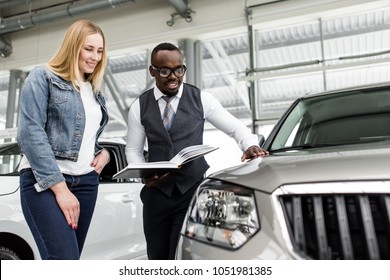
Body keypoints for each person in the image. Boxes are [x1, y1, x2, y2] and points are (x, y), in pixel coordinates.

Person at [125, 42, 269, 260]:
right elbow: (133, 150)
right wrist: (143, 174)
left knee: (185, 256)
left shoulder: (201, 99)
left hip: (191, 193)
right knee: (157, 257)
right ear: (152, 71)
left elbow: (235, 127)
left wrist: (249, 144)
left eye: (179, 69)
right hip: (156, 197)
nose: (173, 76)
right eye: (165, 71)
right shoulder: (139, 106)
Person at [17, 19, 110, 260]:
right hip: (45, 183)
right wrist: (61, 189)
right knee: (63, 260)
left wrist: (104, 152)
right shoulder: (43, 76)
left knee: (71, 260)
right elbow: (30, 133)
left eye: (99, 51)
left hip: (87, 183)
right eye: (88, 49)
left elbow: (85, 135)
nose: (95, 57)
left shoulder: (95, 90)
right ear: (72, 46)